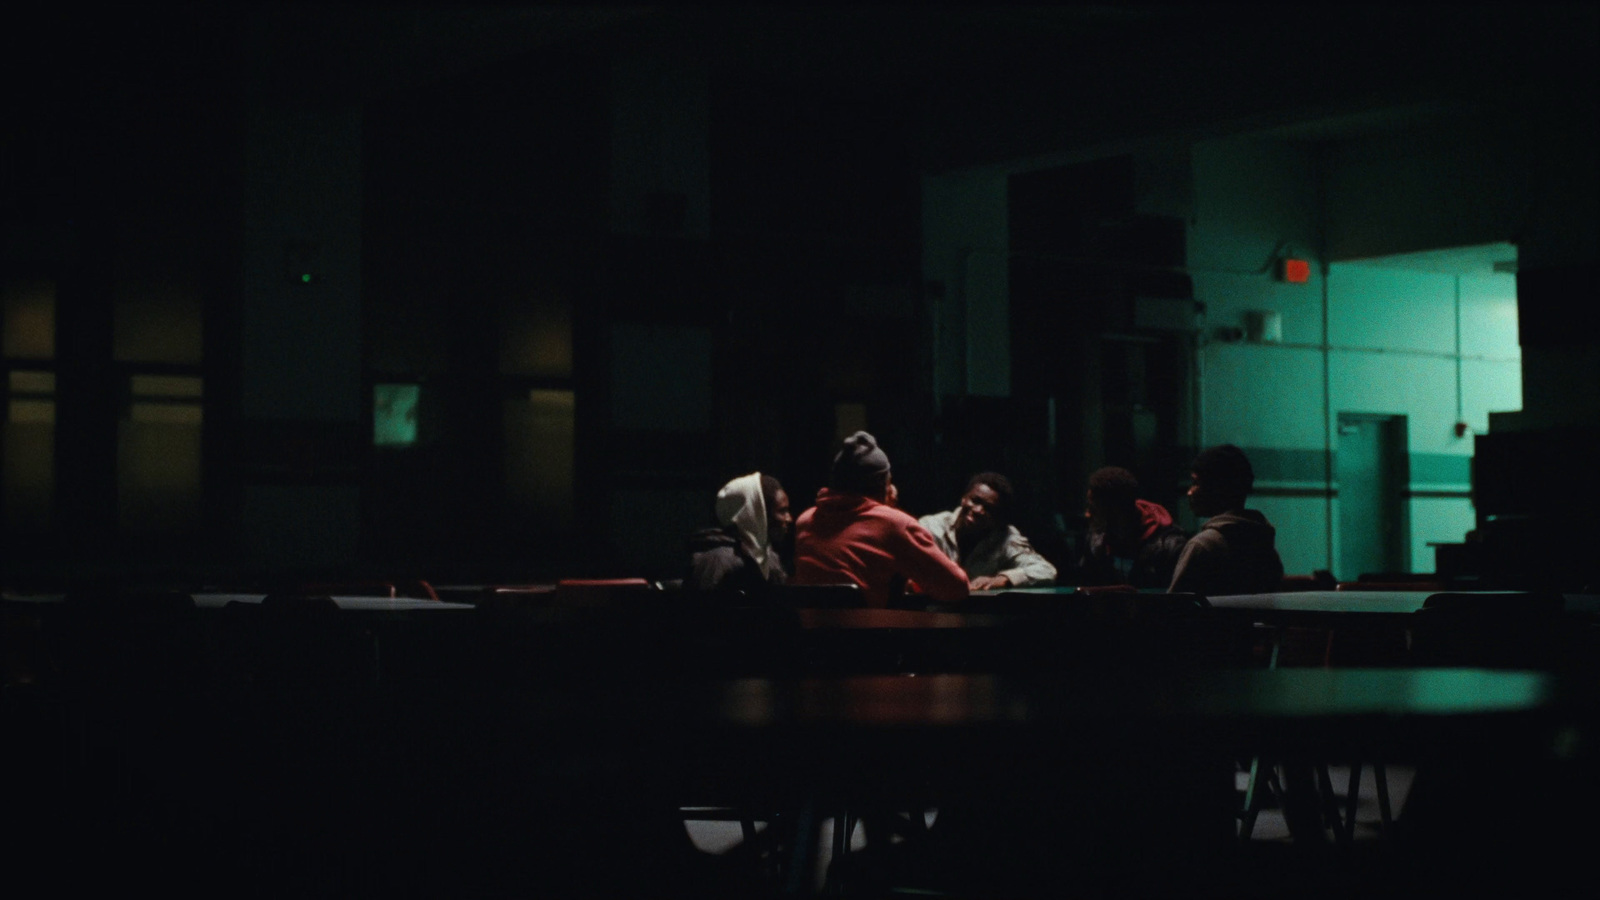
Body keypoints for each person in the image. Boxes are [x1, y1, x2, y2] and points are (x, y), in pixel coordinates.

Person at [792, 431, 969, 607]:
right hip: (875, 632)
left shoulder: (805, 520)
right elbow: (956, 587)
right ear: (883, 485)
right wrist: (888, 510)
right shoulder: (894, 524)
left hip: (812, 634)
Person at [1168, 444, 1284, 595]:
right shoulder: (1265, 547)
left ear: (1215, 488)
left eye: (1196, 482)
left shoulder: (1203, 547)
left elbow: (1173, 609)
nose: (1190, 492)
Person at [918, 472, 1057, 590]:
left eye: (989, 509)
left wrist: (1003, 579)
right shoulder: (930, 526)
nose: (978, 510)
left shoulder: (1006, 537)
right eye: (975, 500)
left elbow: (1047, 571)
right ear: (964, 498)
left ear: (999, 518)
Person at [1077, 466, 1189, 589]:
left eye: (1094, 508)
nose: (1087, 514)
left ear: (1115, 510)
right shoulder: (1096, 543)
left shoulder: (1168, 547)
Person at [684, 472, 793, 597]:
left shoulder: (768, 558)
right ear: (758, 514)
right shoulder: (716, 561)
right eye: (782, 511)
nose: (789, 519)